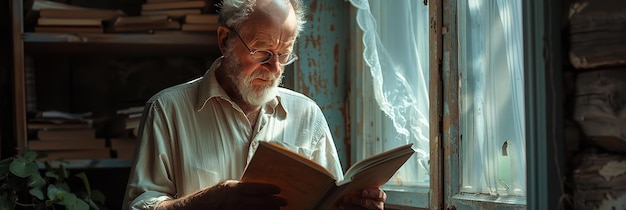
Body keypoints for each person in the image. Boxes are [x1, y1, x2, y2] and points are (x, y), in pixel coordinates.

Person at [122, 0, 387, 209]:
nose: (274, 68)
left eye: (284, 54)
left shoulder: (307, 116)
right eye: (262, 52)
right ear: (225, 40)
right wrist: (212, 202)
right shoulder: (166, 110)